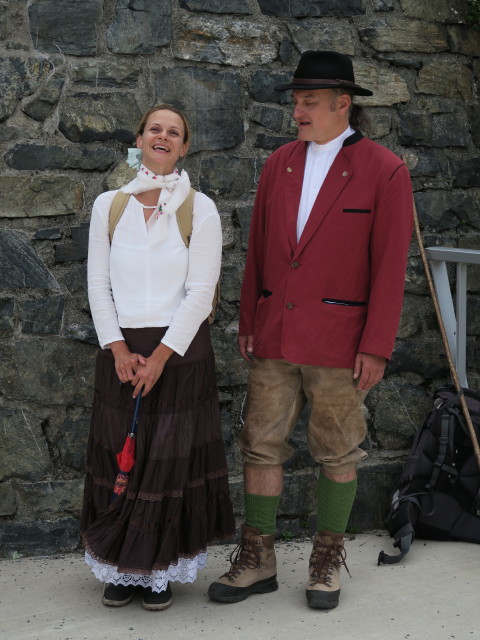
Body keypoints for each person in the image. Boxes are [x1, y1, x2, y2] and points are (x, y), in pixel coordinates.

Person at [208, 51, 413, 610]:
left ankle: (327, 557)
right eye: (296, 101)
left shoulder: (385, 169)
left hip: (341, 343)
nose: (297, 111)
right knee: (260, 446)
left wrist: (376, 346)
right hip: (275, 333)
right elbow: (257, 252)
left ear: (343, 104)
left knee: (338, 451)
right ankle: (259, 557)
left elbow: (391, 268)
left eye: (309, 102)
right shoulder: (279, 164)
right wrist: (250, 318)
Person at [80, 104, 235, 611]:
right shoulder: (110, 205)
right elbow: (98, 284)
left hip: (181, 355)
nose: (163, 137)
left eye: (174, 132)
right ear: (140, 139)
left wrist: (162, 356)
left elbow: (200, 291)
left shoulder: (201, 208)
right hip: (120, 354)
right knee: (121, 458)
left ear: (185, 146)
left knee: (167, 463)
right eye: (155, 129)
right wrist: (119, 349)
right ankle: (121, 568)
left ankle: (157, 569)